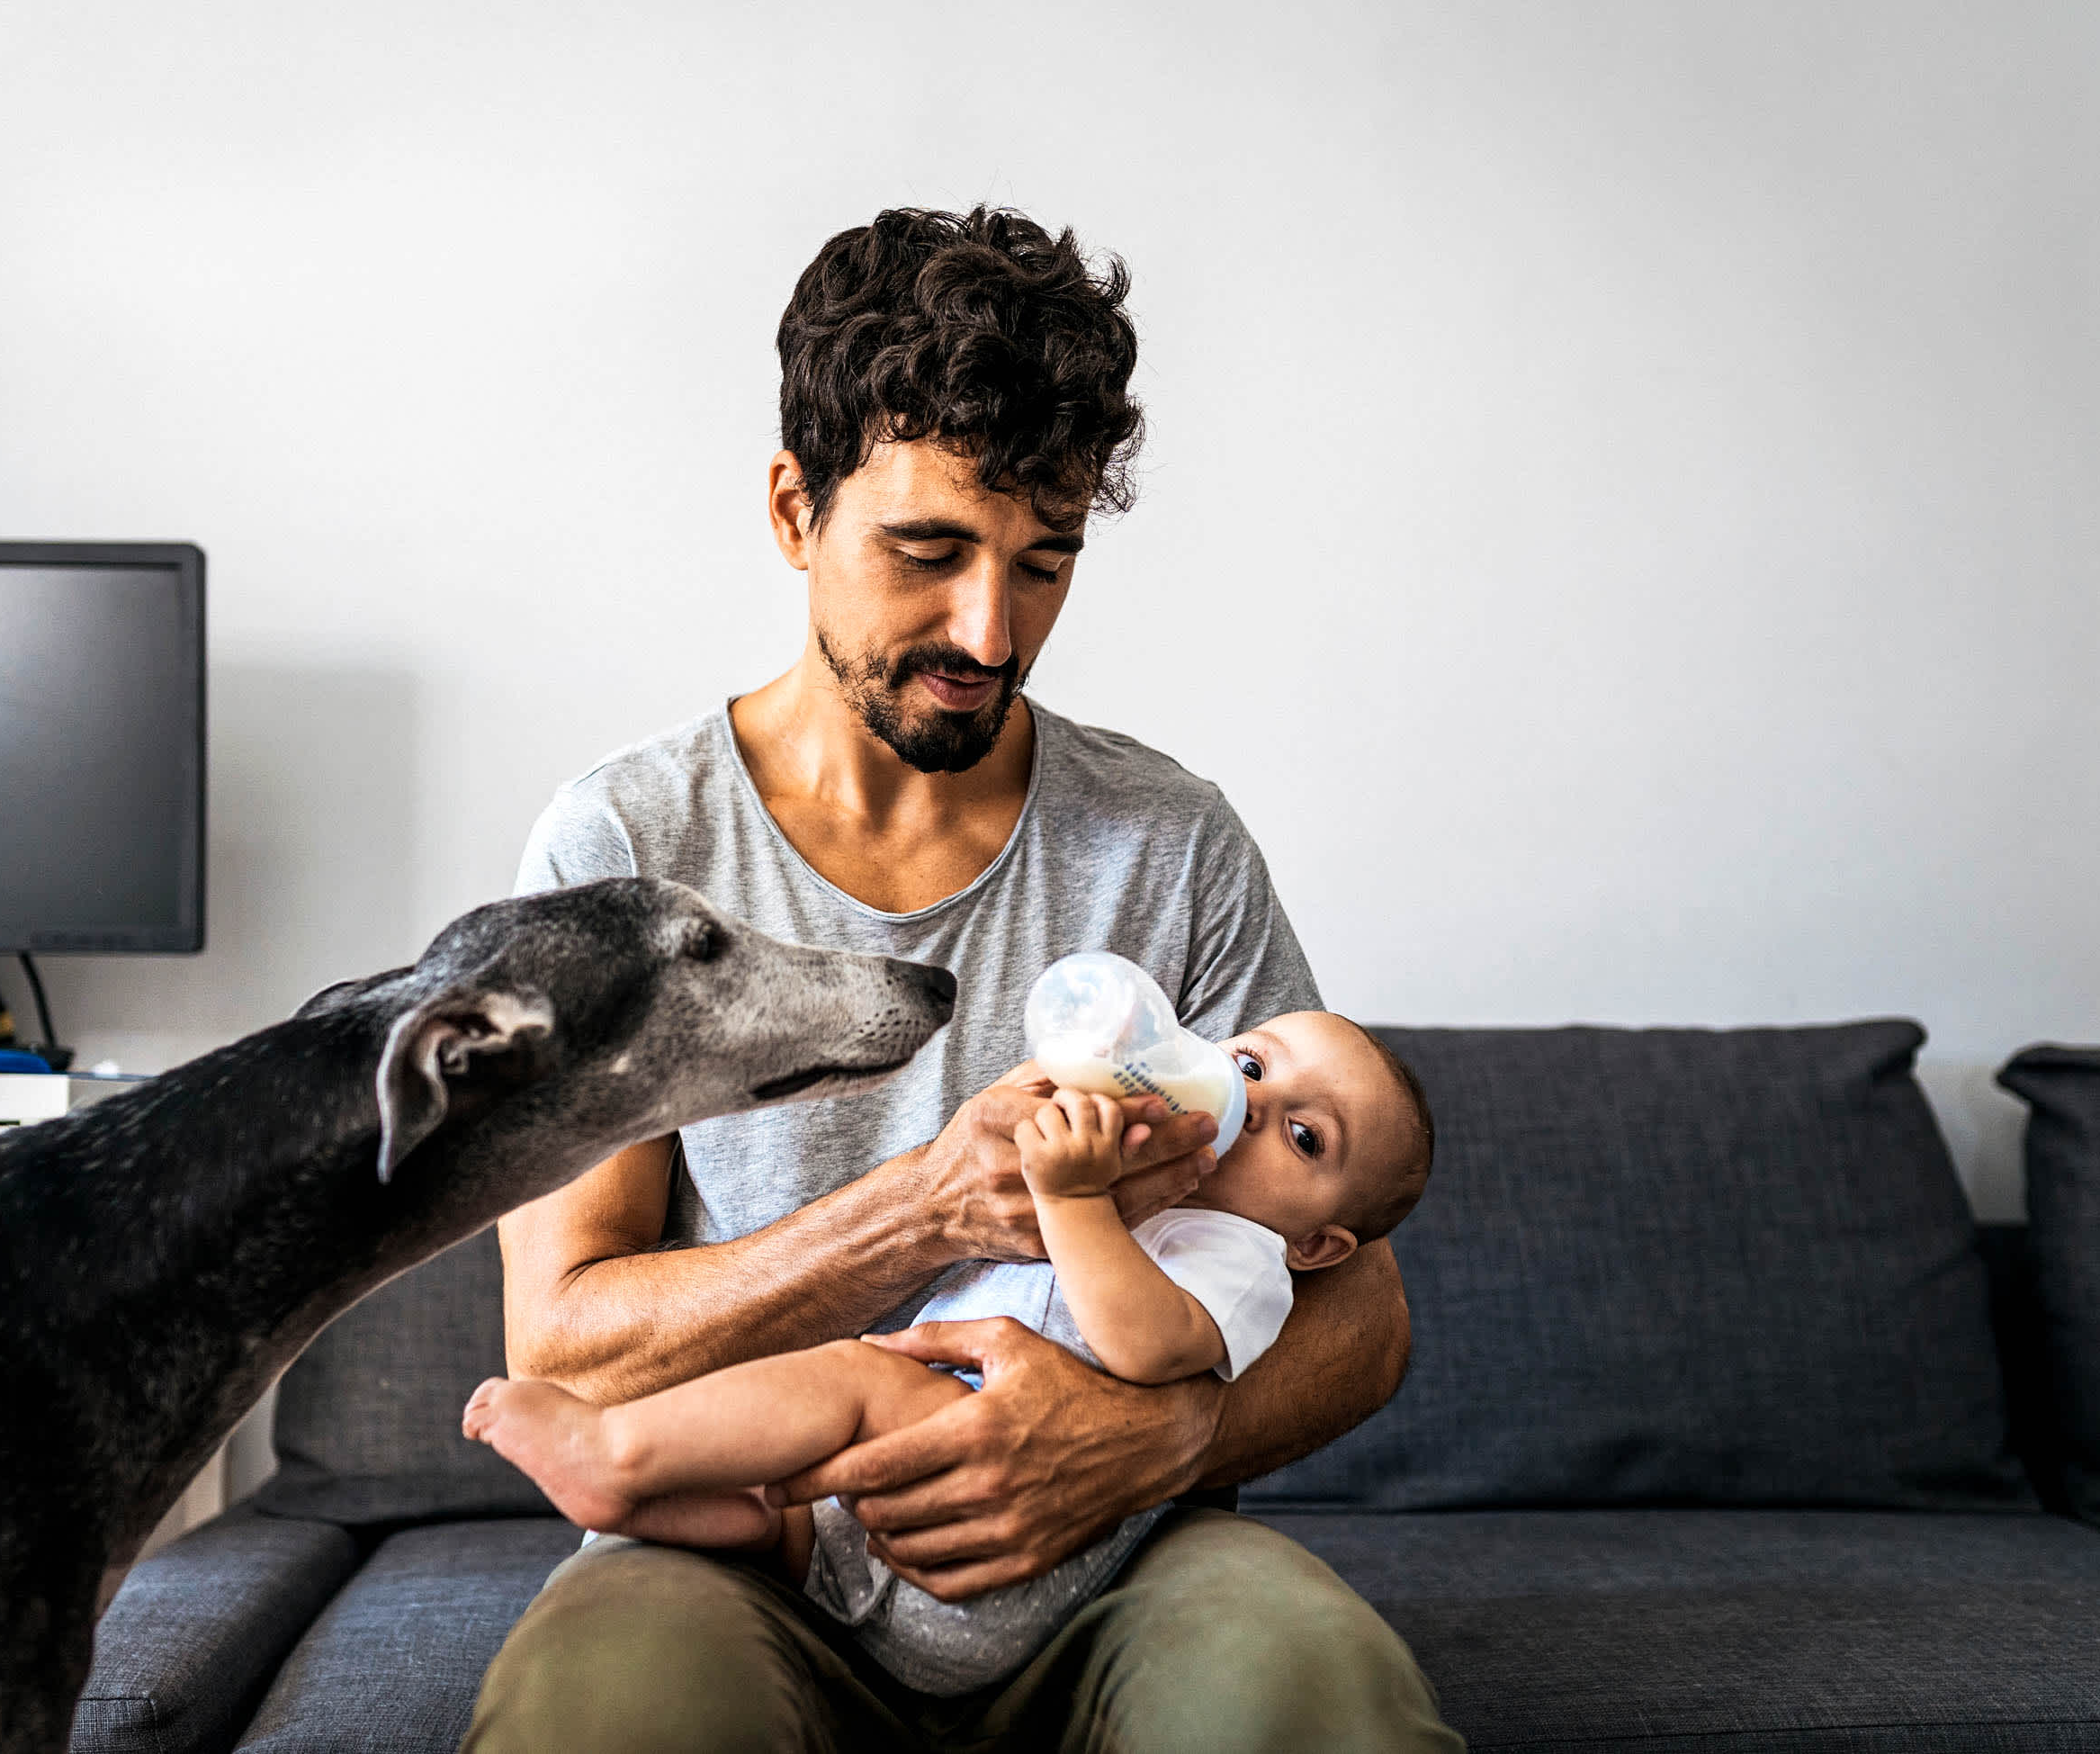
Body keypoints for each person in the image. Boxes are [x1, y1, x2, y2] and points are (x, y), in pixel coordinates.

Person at [462, 205, 1462, 1752]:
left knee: (1311, 1695)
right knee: (613, 1712)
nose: (991, 632)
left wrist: (1139, 1437)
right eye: (928, 551)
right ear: (796, 508)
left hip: (1118, 1553)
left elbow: (1359, 1312)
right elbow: (569, 1341)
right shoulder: (629, 844)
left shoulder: (1167, 838)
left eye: (1044, 561)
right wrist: (926, 1207)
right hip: (753, 1538)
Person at [462, 1011, 1435, 1698]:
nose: (1255, 1108)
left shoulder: (1248, 1258)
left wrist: (1071, 1198)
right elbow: (560, 1329)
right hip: (885, 1512)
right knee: (784, 1488)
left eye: (1307, 1137)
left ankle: (620, 1452)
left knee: (854, 1376)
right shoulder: (1169, 1180)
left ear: (1320, 1244)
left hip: (997, 1568)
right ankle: (676, 1503)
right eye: (1251, 1068)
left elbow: (1146, 1341)